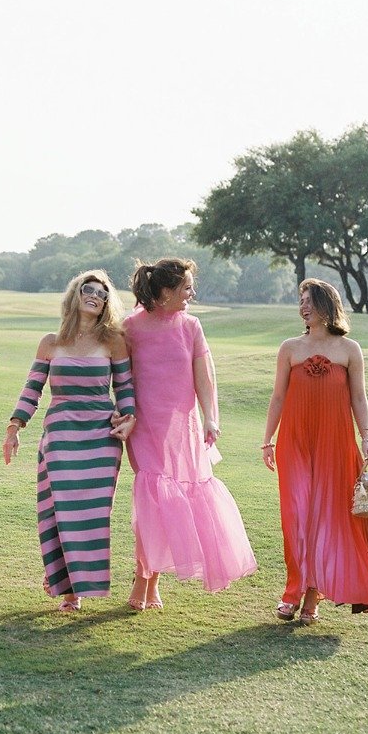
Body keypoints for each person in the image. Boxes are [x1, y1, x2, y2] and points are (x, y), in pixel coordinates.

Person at [118, 258, 257, 609]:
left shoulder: (191, 326)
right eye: (186, 288)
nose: (192, 294)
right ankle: (142, 578)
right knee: (152, 500)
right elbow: (121, 378)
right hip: (146, 426)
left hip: (183, 428)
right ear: (164, 292)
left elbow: (205, 377)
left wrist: (212, 417)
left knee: (172, 502)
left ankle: (153, 583)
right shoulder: (130, 327)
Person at [3, 271, 136, 612]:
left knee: (92, 514)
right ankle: (68, 591)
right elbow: (32, 388)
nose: (94, 295)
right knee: (61, 511)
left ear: (107, 302)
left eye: (102, 293)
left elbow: (124, 388)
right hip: (61, 433)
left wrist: (129, 417)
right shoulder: (51, 341)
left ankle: (82, 582)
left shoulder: (114, 340)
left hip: (100, 438)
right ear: (74, 295)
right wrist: (14, 426)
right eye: (87, 289)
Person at [261, 278, 368, 624]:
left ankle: (312, 600)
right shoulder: (289, 348)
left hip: (335, 442)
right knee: (296, 518)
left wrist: (366, 438)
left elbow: (359, 398)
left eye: (309, 300)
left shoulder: (350, 350)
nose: (303, 307)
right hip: (295, 442)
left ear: (326, 305)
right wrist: (267, 440)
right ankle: (292, 590)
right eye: (300, 301)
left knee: (327, 519)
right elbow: (277, 398)